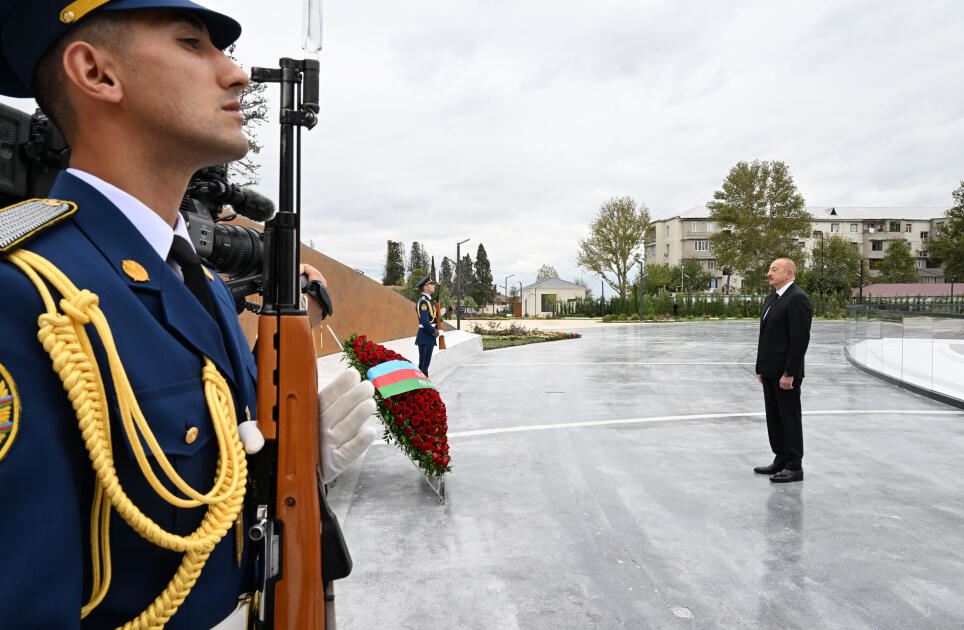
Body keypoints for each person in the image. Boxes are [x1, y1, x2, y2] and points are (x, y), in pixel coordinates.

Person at [0, 2, 375, 628]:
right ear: (96, 72)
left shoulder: (198, 283)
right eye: (192, 43)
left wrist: (283, 470)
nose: (235, 74)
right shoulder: (24, 294)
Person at [754, 258, 812, 483]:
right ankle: (781, 458)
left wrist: (790, 372)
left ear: (789, 273)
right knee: (774, 418)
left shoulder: (797, 299)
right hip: (769, 370)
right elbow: (766, 336)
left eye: (774, 269)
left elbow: (799, 340)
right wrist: (760, 367)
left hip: (785, 374)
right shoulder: (772, 298)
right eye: (769, 269)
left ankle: (795, 466)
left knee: (789, 418)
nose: (769, 273)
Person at [415, 275, 439, 376]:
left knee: (425, 365)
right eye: (431, 284)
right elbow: (424, 322)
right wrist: (434, 331)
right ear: (425, 287)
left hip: (428, 336)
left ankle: (425, 389)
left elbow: (432, 318)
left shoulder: (428, 301)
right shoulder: (423, 302)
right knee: (423, 366)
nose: (433, 286)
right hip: (425, 336)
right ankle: (422, 390)